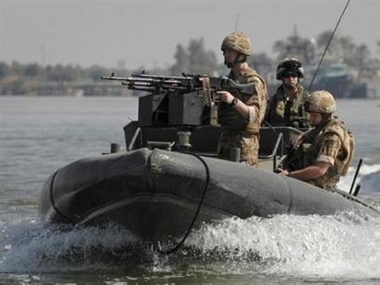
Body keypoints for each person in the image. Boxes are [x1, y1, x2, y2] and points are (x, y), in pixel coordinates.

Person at [277, 90, 355, 190]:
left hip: (319, 183)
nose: (310, 119)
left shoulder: (332, 136)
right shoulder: (321, 128)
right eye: (309, 115)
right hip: (310, 178)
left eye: (314, 116)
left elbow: (320, 169)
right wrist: (302, 138)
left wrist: (289, 175)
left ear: (325, 116)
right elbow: (312, 133)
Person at [215, 31, 268, 166]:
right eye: (225, 52)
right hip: (225, 145)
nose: (225, 55)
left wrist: (233, 100)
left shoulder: (253, 81)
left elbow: (255, 115)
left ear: (241, 54)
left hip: (244, 148)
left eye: (229, 52)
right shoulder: (229, 80)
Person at [265, 57, 310, 129]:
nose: (291, 79)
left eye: (294, 75)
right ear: (282, 78)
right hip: (277, 138)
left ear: (298, 77)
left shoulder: (308, 100)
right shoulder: (272, 102)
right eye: (287, 76)